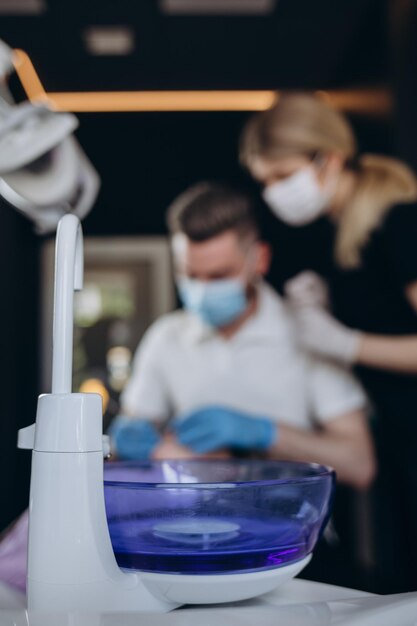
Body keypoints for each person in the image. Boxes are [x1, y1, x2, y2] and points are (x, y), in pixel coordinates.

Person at [239, 92, 417, 592]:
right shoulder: (346, 237)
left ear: (329, 158)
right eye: (264, 182)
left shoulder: (399, 223)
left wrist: (347, 343)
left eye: (281, 176)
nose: (274, 192)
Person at [110, 182, 375, 490]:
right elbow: (132, 440)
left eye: (219, 275)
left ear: (259, 260)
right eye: (190, 275)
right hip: (192, 523)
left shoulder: (308, 336)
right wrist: (132, 442)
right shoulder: (165, 337)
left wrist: (264, 432)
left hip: (292, 526)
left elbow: (360, 465)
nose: (202, 290)